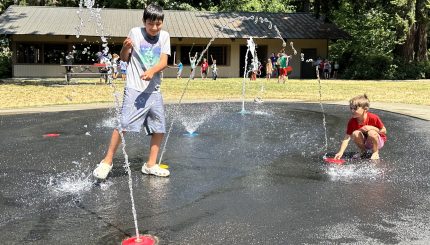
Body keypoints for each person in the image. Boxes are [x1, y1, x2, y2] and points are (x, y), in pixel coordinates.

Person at [93, 3, 171, 179]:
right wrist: (126, 46)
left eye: (158, 24)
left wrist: (152, 71)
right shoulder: (135, 32)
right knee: (123, 125)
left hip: (154, 90)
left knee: (159, 128)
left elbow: (164, 61)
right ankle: (107, 162)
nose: (154, 28)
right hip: (135, 88)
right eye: (150, 24)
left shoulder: (164, 36)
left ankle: (150, 164)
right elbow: (123, 57)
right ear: (144, 21)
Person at [334, 94, 387, 160]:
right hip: (366, 142)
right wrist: (340, 152)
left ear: (365, 109)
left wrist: (371, 128)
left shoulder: (373, 117)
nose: (352, 111)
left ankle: (375, 152)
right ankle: (363, 151)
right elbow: (347, 138)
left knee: (371, 132)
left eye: (355, 108)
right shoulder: (352, 121)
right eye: (351, 108)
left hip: (378, 141)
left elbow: (384, 131)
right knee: (355, 133)